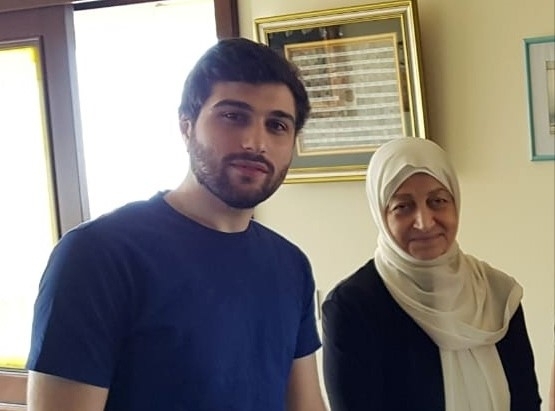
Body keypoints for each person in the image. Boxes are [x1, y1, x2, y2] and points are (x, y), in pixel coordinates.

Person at [26, 37, 327, 411]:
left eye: (277, 125)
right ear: (186, 126)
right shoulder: (98, 256)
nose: (255, 142)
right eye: (233, 116)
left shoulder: (290, 265)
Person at [322, 137, 541, 411]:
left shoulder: (497, 295)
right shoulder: (352, 307)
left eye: (437, 201)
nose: (424, 222)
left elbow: (526, 403)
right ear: (381, 213)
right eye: (403, 206)